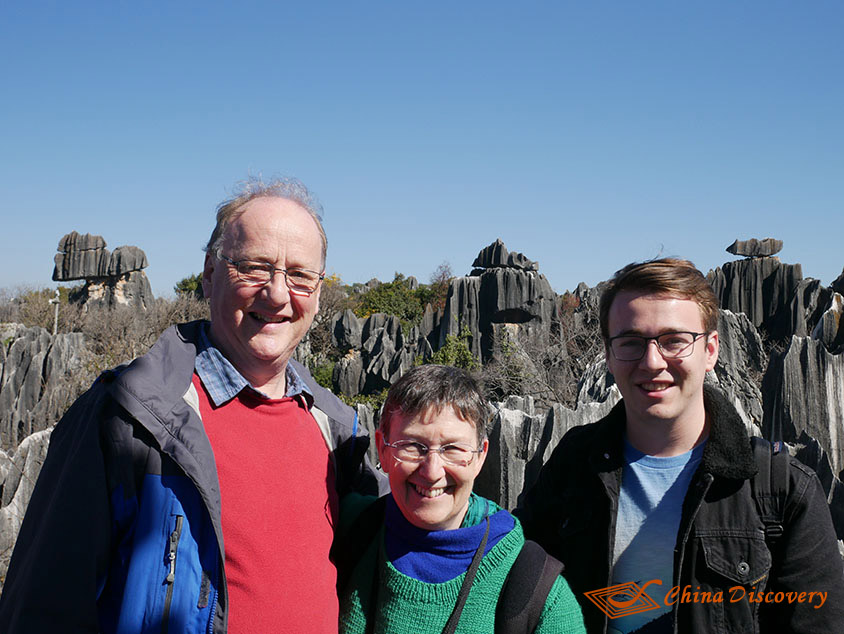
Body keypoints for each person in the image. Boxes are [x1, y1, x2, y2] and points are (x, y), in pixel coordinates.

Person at [0, 177, 386, 633]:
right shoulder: (126, 417)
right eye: (254, 267)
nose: (278, 294)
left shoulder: (337, 429)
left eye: (300, 275)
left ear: (318, 293)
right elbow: (42, 608)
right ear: (209, 272)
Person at [516, 258, 844, 633]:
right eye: (630, 342)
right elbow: (511, 574)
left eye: (675, 341)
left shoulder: (782, 489)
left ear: (711, 351)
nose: (653, 362)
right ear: (607, 354)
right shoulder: (573, 465)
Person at [337, 364, 586, 633]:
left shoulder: (540, 596)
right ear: (383, 450)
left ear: (480, 457)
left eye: (453, 449)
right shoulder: (346, 530)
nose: (432, 472)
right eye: (412, 446)